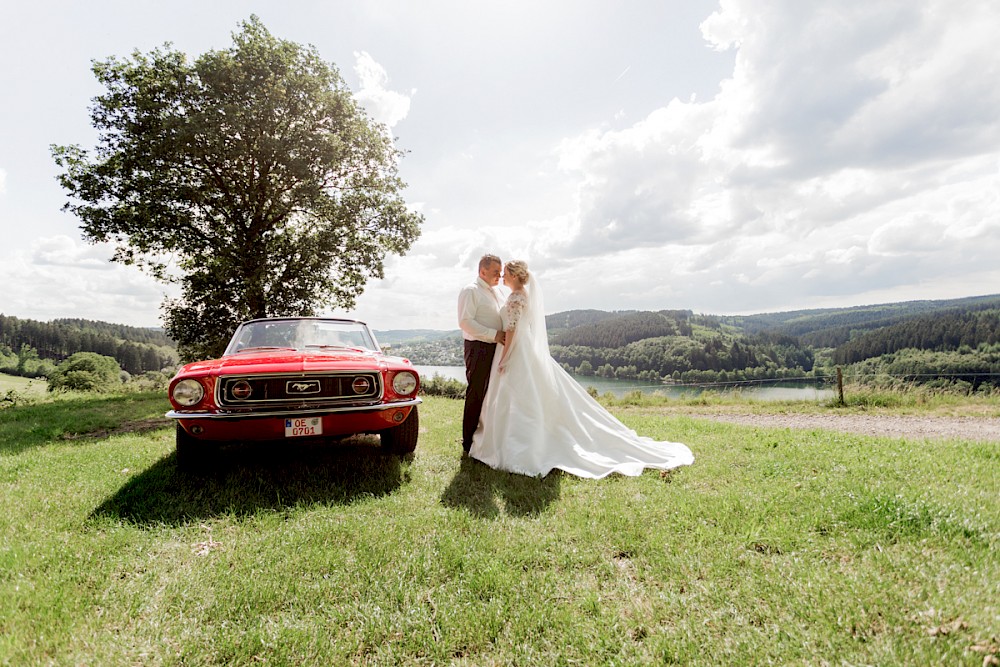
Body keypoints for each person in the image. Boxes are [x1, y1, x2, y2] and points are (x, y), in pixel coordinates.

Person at [471, 260, 694, 478]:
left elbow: (511, 329)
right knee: (524, 395)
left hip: (516, 349)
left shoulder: (516, 297)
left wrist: (505, 357)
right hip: (524, 348)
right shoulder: (521, 295)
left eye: (505, 273)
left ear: (514, 276)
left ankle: (516, 446)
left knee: (517, 394)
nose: (502, 277)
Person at [457, 254, 507, 454]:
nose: (499, 276)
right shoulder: (470, 291)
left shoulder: (497, 292)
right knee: (476, 392)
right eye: (496, 272)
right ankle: (467, 441)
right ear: (482, 271)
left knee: (492, 392)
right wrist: (494, 335)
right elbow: (465, 322)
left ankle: (484, 435)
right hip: (478, 348)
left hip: (495, 348)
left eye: (500, 272)